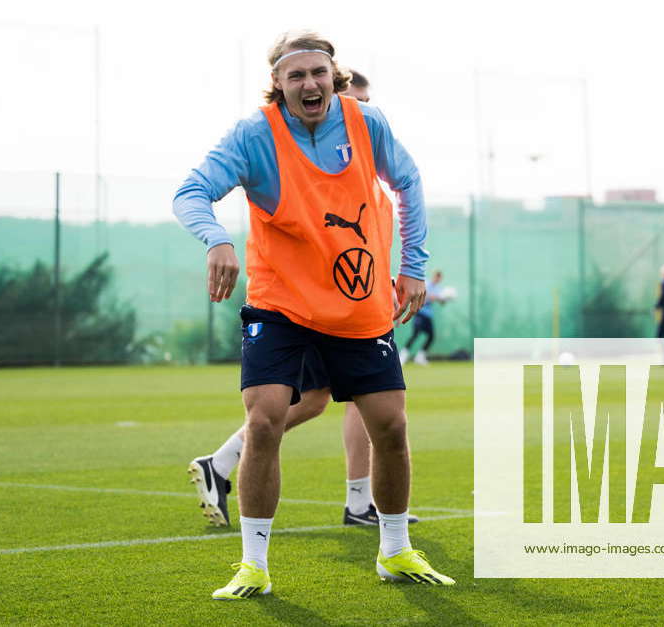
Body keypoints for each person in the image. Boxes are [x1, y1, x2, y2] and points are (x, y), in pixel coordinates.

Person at [173, 30, 454, 600]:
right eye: (296, 75)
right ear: (277, 83)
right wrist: (216, 240)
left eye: (318, 73)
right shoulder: (254, 134)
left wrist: (414, 266)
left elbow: (409, 182)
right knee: (266, 419)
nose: (309, 83)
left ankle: (395, 551)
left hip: (357, 303)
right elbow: (192, 191)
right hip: (280, 303)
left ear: (334, 78)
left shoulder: (365, 123)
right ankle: (253, 565)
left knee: (392, 426)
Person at [187, 72, 419, 529]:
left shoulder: (366, 169)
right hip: (305, 306)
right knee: (348, 402)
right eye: (357, 100)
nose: (365, 111)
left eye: (370, 102)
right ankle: (358, 502)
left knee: (315, 400)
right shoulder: (286, 143)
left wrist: (392, 275)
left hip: (354, 302)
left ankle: (221, 462)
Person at [400, 269, 445, 365]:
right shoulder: (426, 284)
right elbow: (422, 296)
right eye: (437, 278)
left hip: (428, 316)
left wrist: (444, 299)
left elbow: (441, 301)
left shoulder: (438, 288)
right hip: (419, 312)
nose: (438, 280)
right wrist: (432, 297)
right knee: (415, 334)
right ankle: (402, 356)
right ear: (434, 276)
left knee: (431, 336)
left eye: (439, 279)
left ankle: (420, 357)